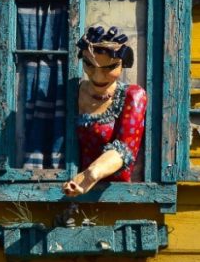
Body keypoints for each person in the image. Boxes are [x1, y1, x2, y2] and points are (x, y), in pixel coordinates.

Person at [62, 25, 147, 196]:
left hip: (112, 196)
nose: (98, 76)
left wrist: (91, 174)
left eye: (110, 68)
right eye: (89, 65)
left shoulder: (132, 96)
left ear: (124, 64)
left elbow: (125, 148)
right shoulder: (70, 93)